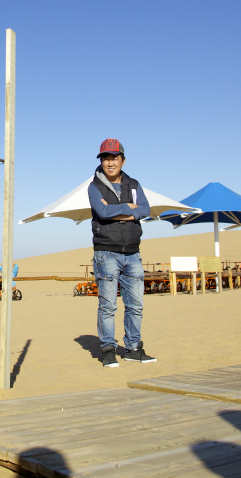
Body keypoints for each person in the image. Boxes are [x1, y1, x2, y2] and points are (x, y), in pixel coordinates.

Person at [88, 139, 155, 368]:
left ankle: (133, 348)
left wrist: (120, 212)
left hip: (133, 254)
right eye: (106, 158)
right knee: (108, 305)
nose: (110, 162)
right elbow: (103, 212)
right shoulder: (94, 187)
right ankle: (108, 349)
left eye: (114, 158)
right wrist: (129, 209)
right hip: (106, 254)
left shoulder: (134, 185)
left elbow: (146, 209)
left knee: (136, 305)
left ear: (122, 160)